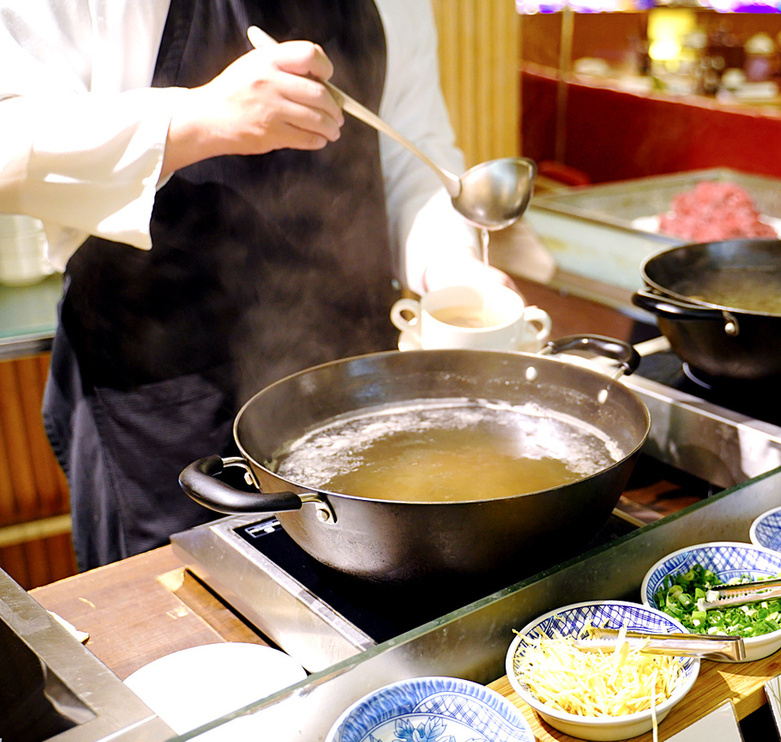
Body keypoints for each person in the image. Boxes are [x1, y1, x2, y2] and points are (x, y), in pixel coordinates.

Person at [0, 0, 510, 570]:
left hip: (351, 378)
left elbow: (413, 150)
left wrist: (452, 269)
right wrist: (195, 121)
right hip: (166, 401)